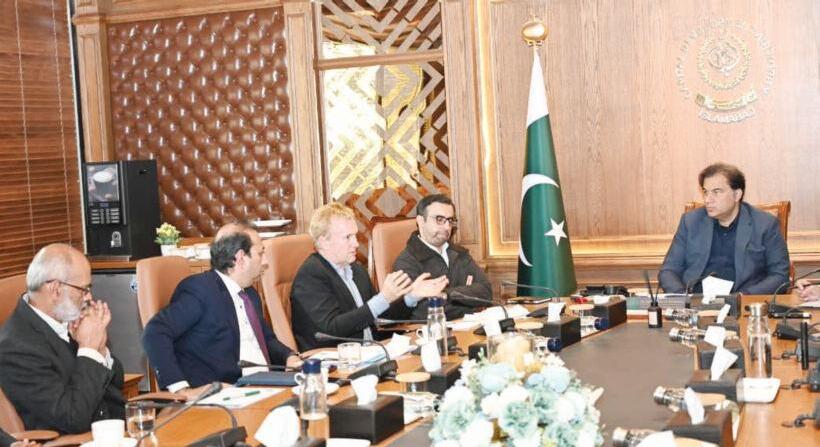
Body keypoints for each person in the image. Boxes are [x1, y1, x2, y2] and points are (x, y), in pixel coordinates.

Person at [143, 223, 301, 397]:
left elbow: (266, 338)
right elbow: (155, 332)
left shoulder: (249, 293)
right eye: (260, 253)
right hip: (227, 393)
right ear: (240, 258)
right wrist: (182, 391)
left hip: (266, 384)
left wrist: (289, 356)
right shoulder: (200, 290)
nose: (265, 262)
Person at [0, 244, 125, 434]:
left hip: (114, 429)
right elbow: (73, 419)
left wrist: (100, 349)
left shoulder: (65, 320)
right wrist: (89, 349)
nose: (89, 297)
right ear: (56, 289)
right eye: (84, 289)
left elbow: (117, 383)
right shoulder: (16, 348)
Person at [290, 203, 448, 351]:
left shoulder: (357, 270)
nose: (356, 243)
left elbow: (379, 318)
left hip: (373, 352)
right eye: (347, 237)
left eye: (355, 236)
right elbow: (331, 329)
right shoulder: (311, 275)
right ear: (324, 241)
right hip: (337, 359)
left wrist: (411, 296)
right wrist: (383, 298)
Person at [659, 163, 790, 294]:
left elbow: (779, 276)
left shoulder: (765, 224)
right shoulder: (691, 221)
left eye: (716, 192)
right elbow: (669, 270)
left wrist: (743, 297)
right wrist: (682, 298)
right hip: (696, 300)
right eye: (705, 192)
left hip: (742, 300)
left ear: (737, 195)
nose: (708, 200)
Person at [394, 194, 492, 320]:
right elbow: (423, 311)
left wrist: (446, 294)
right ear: (421, 221)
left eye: (450, 220)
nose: (447, 227)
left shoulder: (459, 253)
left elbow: (486, 292)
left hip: (469, 326)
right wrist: (471, 306)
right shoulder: (406, 262)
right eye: (439, 219)